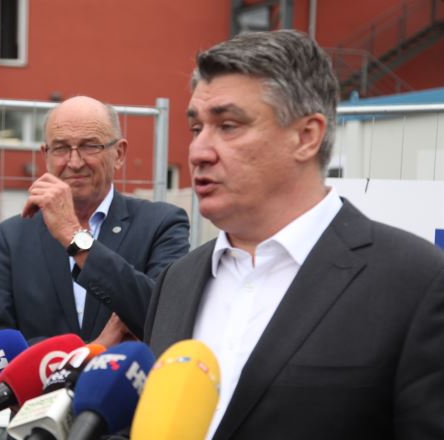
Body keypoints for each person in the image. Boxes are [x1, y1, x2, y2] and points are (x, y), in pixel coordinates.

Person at [144, 30, 444, 439]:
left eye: (228, 126)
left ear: (306, 136)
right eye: (197, 128)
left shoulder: (418, 282)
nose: (198, 151)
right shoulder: (176, 281)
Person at [0, 96, 190, 345]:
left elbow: (166, 319)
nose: (74, 163)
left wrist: (74, 238)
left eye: (89, 146)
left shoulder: (161, 224)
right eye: (61, 148)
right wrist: (91, 350)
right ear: (45, 155)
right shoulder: (14, 236)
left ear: (119, 154)